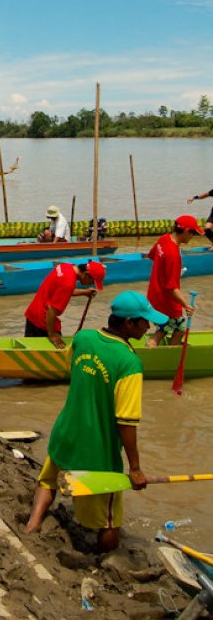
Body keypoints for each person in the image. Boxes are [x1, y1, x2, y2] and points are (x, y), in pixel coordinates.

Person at [26, 290, 168, 553]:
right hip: (96, 451)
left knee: (48, 480)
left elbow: (73, 369)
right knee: (109, 521)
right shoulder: (129, 363)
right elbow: (126, 421)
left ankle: (32, 524)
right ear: (129, 323)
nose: (148, 327)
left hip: (66, 432)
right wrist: (135, 467)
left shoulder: (84, 337)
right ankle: (105, 561)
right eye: (144, 322)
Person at [146, 215, 202, 347]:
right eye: (193, 233)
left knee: (164, 327)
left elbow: (152, 255)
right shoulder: (174, 255)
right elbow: (172, 288)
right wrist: (186, 305)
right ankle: (168, 349)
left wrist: (171, 272)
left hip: (154, 294)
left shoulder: (164, 238)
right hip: (166, 300)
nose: (193, 237)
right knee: (179, 327)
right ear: (186, 231)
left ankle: (161, 347)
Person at [24, 259, 106, 348]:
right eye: (93, 281)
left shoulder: (66, 266)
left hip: (33, 314)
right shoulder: (68, 283)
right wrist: (52, 334)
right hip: (43, 322)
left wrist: (84, 292)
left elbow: (61, 290)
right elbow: (51, 309)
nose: (91, 284)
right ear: (87, 275)